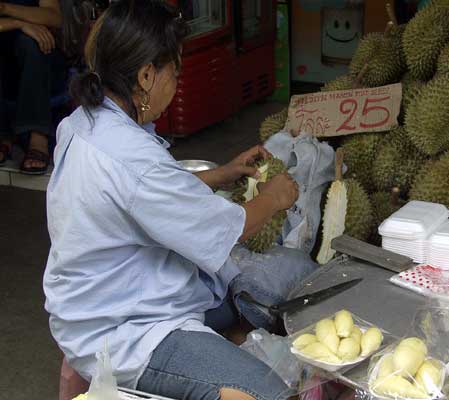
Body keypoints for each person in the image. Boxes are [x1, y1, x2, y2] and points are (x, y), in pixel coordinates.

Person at [43, 1, 316, 399]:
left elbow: (137, 198)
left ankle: (229, 337)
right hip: (128, 332)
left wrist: (218, 175)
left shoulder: (83, 121)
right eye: (176, 70)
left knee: (288, 273)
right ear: (147, 75)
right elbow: (230, 229)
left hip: (103, 299)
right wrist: (275, 197)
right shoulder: (134, 158)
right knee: (268, 392)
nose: (178, 80)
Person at [0, 0, 65, 174]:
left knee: (31, 43)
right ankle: (3, 134)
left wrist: (6, 8)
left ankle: (38, 137)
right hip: (7, 68)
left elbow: (54, 17)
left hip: (42, 60)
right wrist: (18, 23)